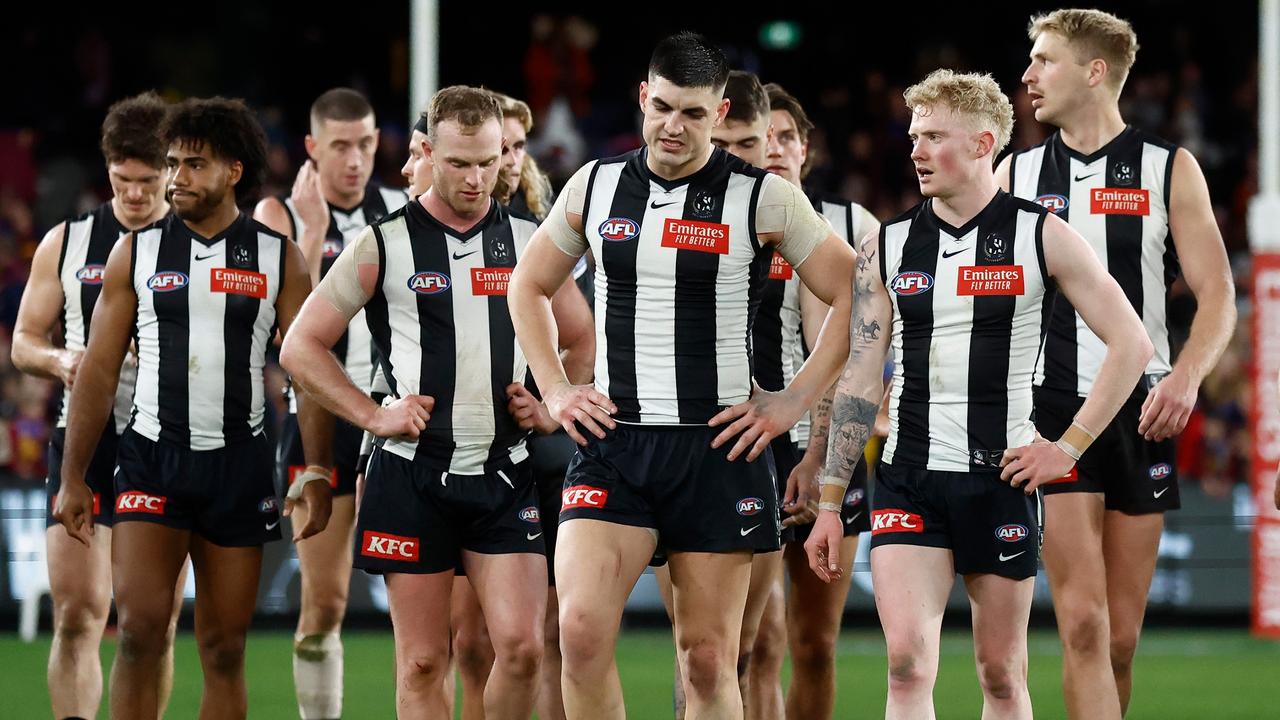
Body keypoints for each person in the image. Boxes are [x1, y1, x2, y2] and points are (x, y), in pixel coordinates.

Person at [508, 32, 855, 719]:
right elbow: (527, 286)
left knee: (705, 659)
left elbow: (860, 294)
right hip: (614, 445)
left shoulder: (763, 199)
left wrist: (791, 402)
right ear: (643, 96)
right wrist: (555, 386)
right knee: (578, 635)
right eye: (662, 107)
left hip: (717, 451)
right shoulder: (597, 184)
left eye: (694, 114)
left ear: (719, 112)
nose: (674, 126)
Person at [805, 69, 1153, 720]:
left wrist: (1067, 448)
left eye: (933, 136)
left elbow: (1131, 344)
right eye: (913, 135)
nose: (914, 150)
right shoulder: (889, 243)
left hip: (1000, 480)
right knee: (906, 663)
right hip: (908, 480)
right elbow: (857, 373)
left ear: (983, 142)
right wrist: (831, 498)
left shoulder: (1042, 235)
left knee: (999, 674)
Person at [280, 85, 591, 719]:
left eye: (488, 160)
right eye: (458, 163)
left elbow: (582, 336)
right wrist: (372, 415)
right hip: (412, 472)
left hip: (505, 472)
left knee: (524, 649)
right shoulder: (383, 242)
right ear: (427, 150)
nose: (476, 178)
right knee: (423, 660)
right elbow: (301, 347)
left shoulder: (533, 238)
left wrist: (550, 400)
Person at [53, 96, 333, 719]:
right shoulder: (136, 253)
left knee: (225, 650)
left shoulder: (279, 259)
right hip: (152, 461)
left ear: (234, 171)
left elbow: (309, 375)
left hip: (241, 467)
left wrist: (315, 469)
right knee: (138, 635)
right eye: (172, 164)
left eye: (193, 165)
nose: (176, 178)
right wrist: (74, 475)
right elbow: (97, 372)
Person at [996, 9, 1235, 717]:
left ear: (1094, 72)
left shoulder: (1168, 168)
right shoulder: (1016, 172)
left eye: (1044, 60)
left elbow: (1218, 293)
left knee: (1122, 640)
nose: (1028, 75)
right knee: (1085, 624)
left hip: (1146, 412)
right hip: (1052, 411)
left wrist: (1187, 376)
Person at [11, 91, 184, 720]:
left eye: (147, 181)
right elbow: (25, 340)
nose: (135, 194)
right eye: (122, 180)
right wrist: (62, 360)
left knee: (150, 626)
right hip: (84, 433)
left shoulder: (200, 241)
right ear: (106, 168)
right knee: (78, 612)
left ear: (172, 169)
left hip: (169, 443)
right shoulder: (68, 241)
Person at [253, 87, 407, 720]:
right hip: (319, 425)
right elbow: (278, 335)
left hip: (397, 421)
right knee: (324, 604)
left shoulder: (402, 210)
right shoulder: (278, 218)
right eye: (340, 145)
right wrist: (311, 238)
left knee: (416, 602)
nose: (355, 159)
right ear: (312, 148)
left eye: (366, 143)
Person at [754, 81, 880, 720]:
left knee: (815, 643)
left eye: (786, 136)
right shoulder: (723, 219)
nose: (773, 148)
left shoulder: (854, 227)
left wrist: (823, 456)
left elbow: (864, 347)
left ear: (807, 149)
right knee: (750, 641)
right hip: (744, 443)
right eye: (762, 136)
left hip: (831, 452)